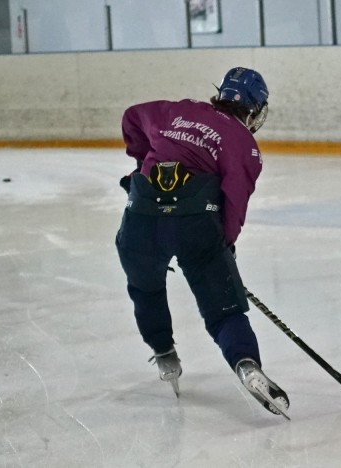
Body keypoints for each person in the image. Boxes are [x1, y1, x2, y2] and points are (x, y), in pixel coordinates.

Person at [115, 67, 289, 418]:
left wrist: (140, 163)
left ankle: (164, 354)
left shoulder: (177, 109)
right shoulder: (244, 144)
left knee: (145, 290)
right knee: (223, 311)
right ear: (254, 110)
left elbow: (132, 118)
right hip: (196, 226)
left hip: (141, 217)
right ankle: (246, 365)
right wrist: (224, 245)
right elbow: (234, 201)